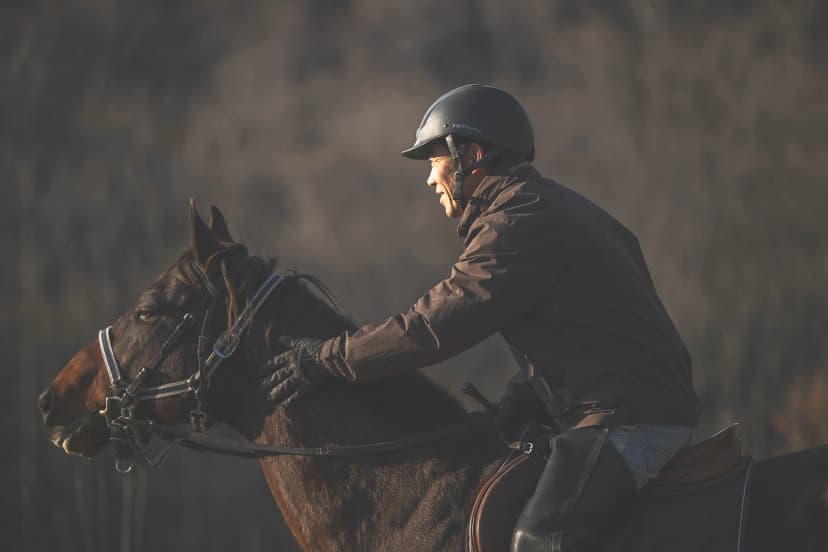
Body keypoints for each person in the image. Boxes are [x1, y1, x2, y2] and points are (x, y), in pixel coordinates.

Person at [259, 84, 699, 551]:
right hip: (620, 410)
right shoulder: (552, 209)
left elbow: (432, 326)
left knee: (540, 540)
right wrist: (522, 399)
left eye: (434, 161)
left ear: (472, 154)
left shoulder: (517, 223)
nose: (431, 179)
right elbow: (593, 336)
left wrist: (328, 358)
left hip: (624, 421)